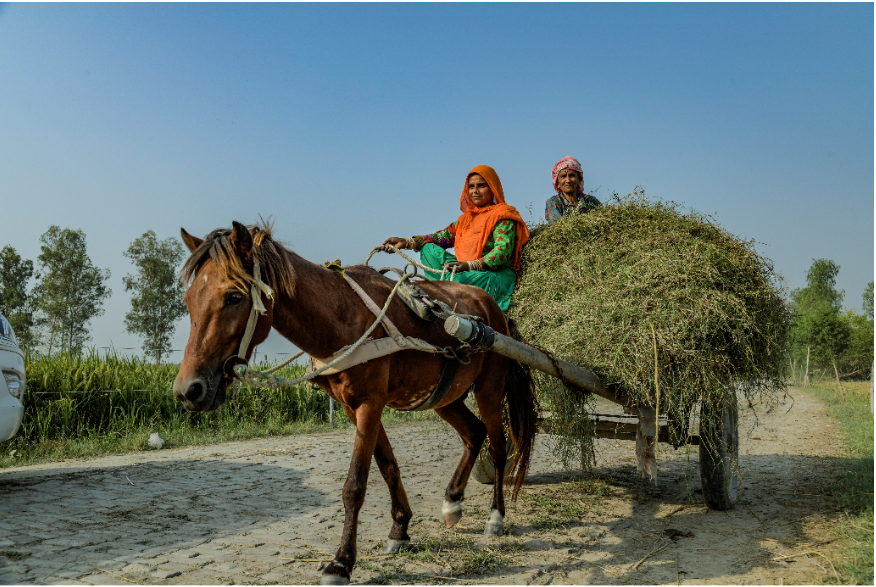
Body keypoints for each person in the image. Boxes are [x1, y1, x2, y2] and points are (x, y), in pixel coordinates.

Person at [382, 165, 529, 312]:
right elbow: (440, 237)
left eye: (481, 186)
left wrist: (470, 266)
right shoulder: (465, 220)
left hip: (491, 275)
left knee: (458, 282)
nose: (475, 191)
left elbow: (502, 253)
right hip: (463, 270)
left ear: (492, 188)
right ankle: (444, 289)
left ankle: (442, 291)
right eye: (471, 187)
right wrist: (406, 242)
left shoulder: (503, 215)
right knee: (428, 249)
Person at [544, 156, 601, 224]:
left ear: (579, 179)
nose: (568, 180)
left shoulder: (591, 201)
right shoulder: (554, 203)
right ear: (558, 183)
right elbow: (559, 227)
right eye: (563, 176)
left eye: (571, 175)